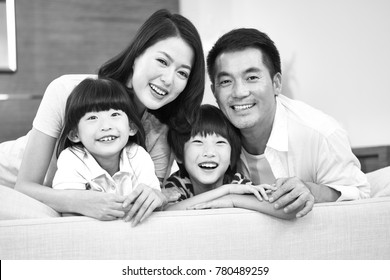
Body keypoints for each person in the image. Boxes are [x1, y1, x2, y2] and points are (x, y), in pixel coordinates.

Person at [0, 9, 205, 225]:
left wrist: (157, 196)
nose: (168, 79)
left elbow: (147, 198)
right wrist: (82, 201)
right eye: (162, 61)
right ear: (137, 56)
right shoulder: (67, 91)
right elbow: (25, 186)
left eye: (182, 73)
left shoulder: (160, 130)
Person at [205, 28, 370, 218]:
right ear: (215, 92)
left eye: (251, 78)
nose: (239, 92)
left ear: (276, 84)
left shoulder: (321, 133)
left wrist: (311, 190)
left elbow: (363, 197)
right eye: (226, 81)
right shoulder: (208, 137)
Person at [52, 78, 161, 223]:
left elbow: (152, 203)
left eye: (115, 115)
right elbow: (70, 215)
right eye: (92, 117)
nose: (106, 126)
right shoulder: (71, 158)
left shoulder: (137, 155)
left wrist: (154, 197)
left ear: (132, 127)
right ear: (75, 134)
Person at [163, 104, 297, 220]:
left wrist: (232, 199)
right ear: (179, 155)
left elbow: (285, 210)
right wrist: (226, 190)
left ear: (232, 155)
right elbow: (167, 214)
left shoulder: (236, 182)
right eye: (198, 142)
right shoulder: (178, 182)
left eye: (220, 142)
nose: (210, 152)